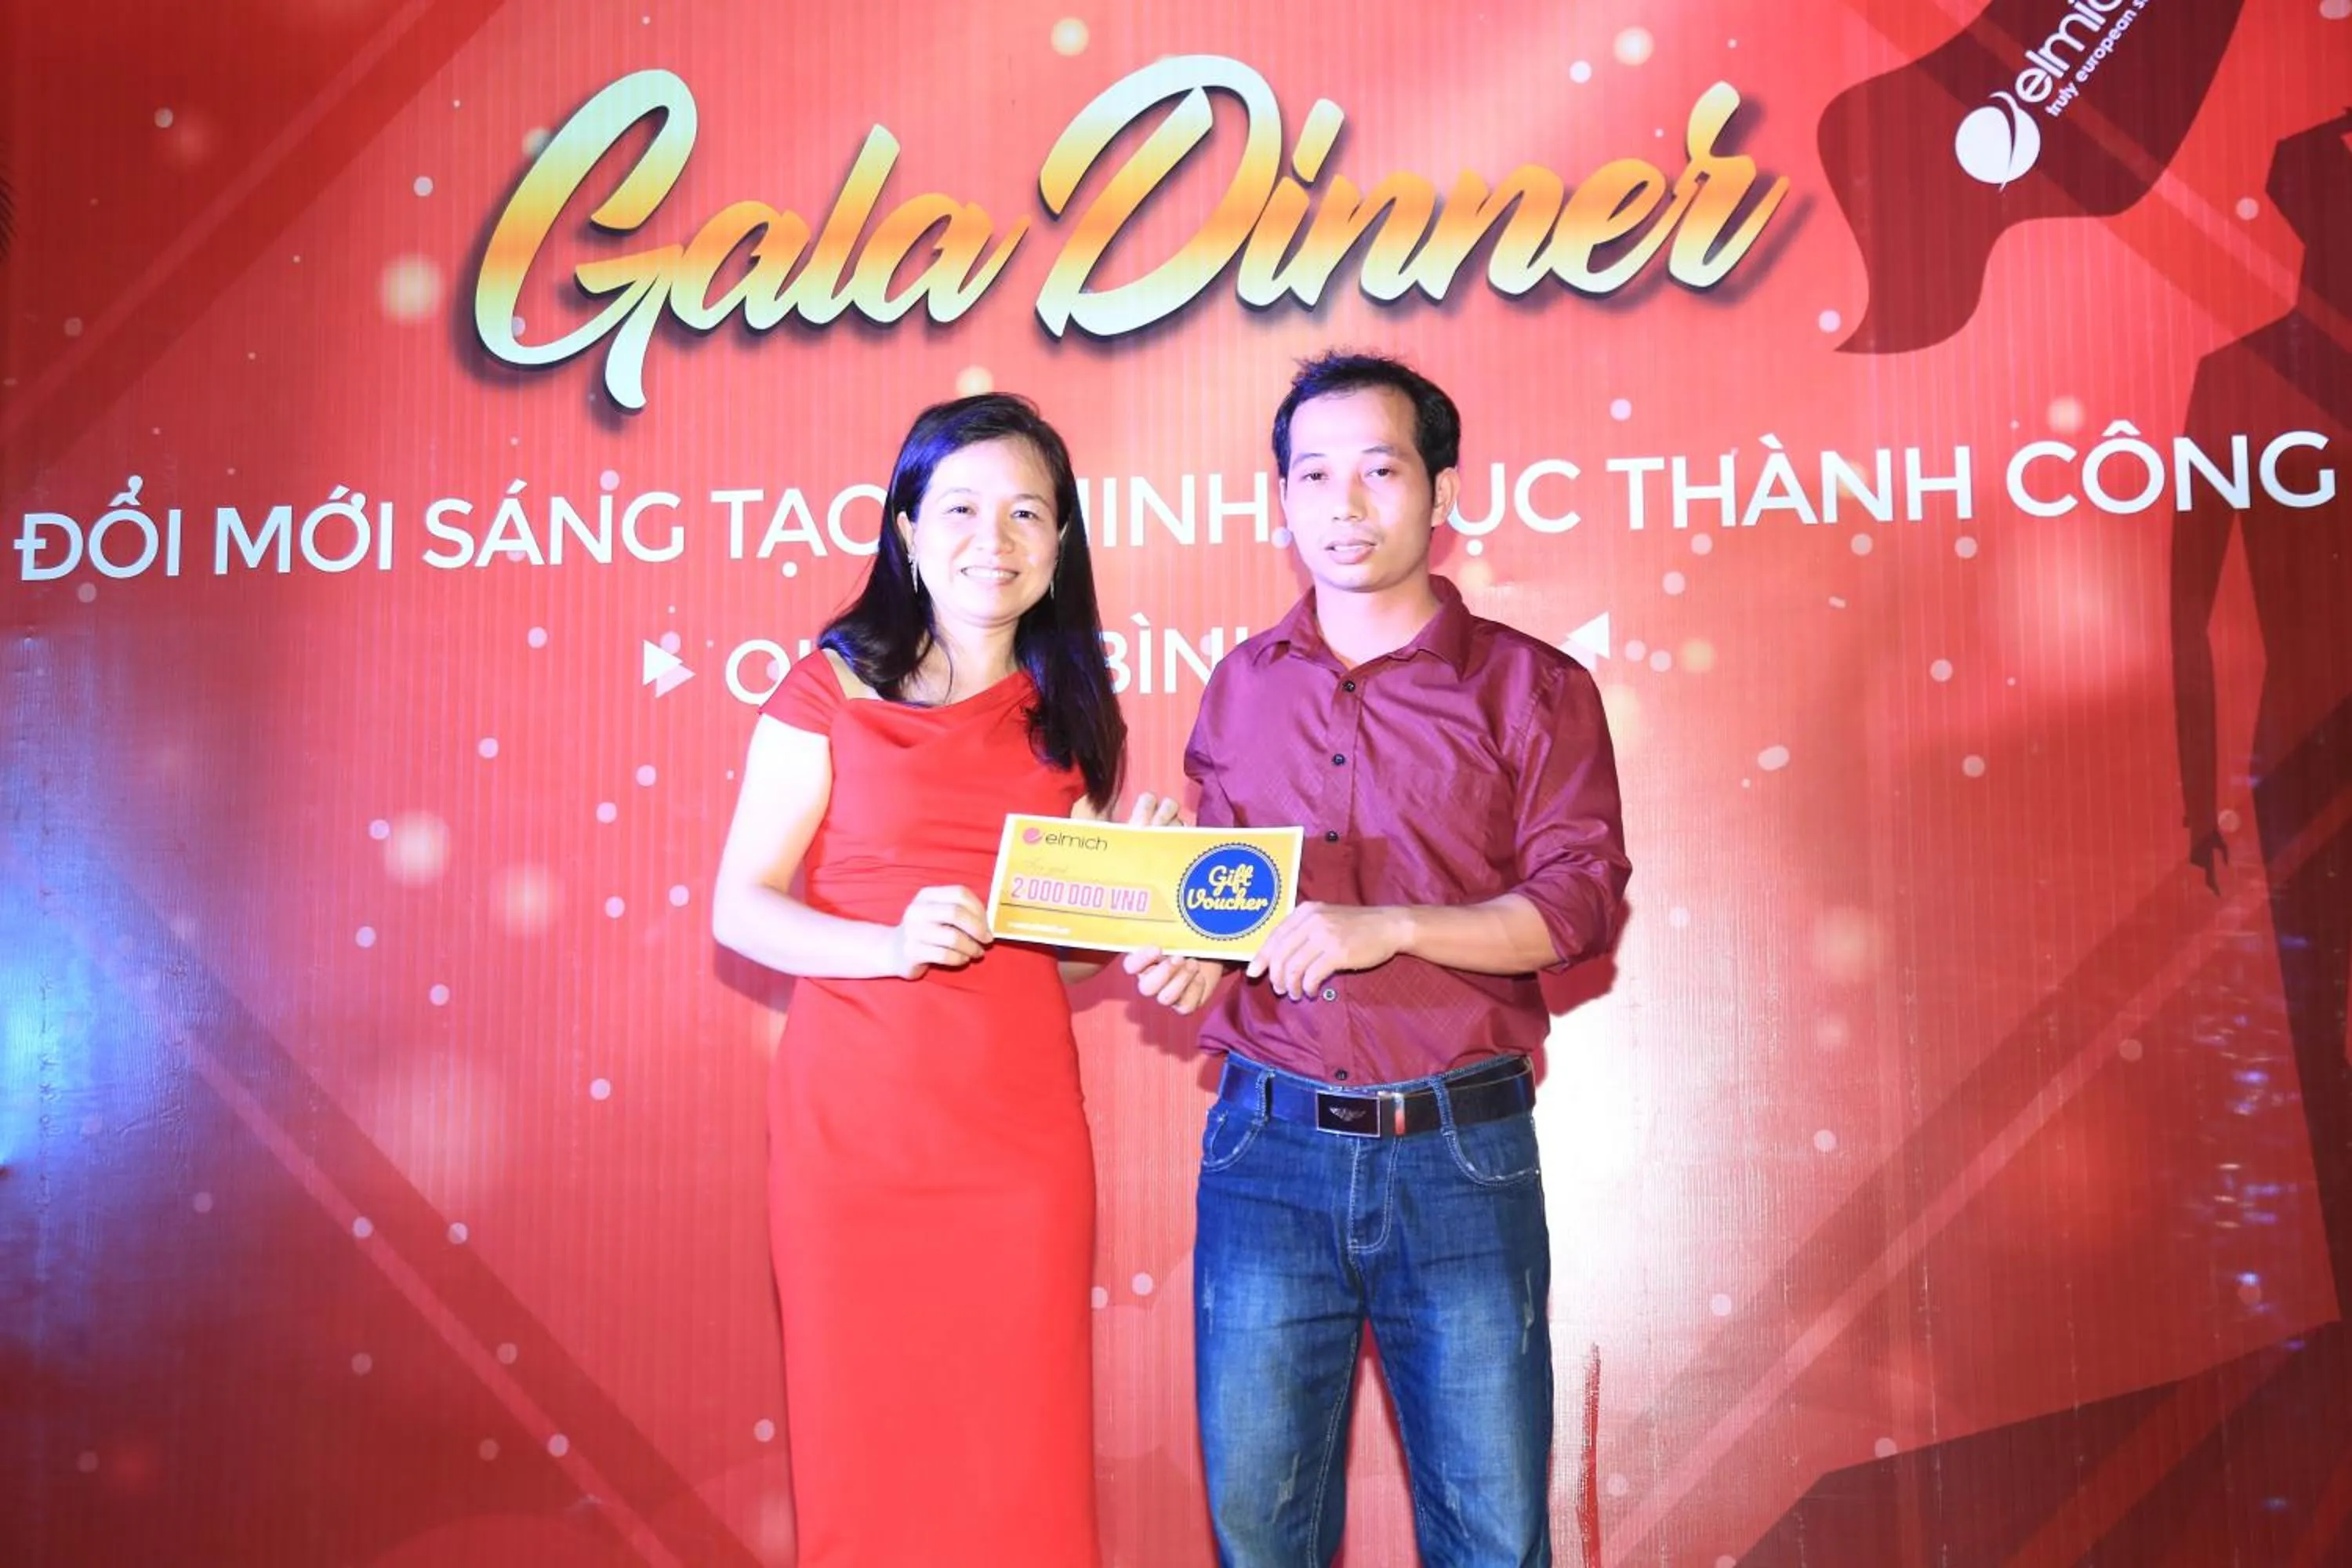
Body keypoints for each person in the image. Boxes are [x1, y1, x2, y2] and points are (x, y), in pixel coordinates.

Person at [1127, 352, 1631, 1566]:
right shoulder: (1240, 687)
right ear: (1282, 503)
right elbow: (1229, 898)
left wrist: (1393, 926)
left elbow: (1578, 906)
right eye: (1313, 475)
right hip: (1266, 1149)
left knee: (1492, 1537)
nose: (1343, 505)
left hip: (1460, 1154)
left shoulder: (1533, 686)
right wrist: (1184, 941)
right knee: (1262, 1535)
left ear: (1440, 492)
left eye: (1378, 471)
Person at [711, 393, 1140, 1567]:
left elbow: (1078, 944)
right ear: (904, 530)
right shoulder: (827, 689)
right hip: (857, 1130)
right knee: (867, 1445)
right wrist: (888, 945)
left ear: (1059, 547)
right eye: (957, 507)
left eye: (1024, 514)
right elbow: (739, 906)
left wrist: (1136, 893)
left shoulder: (1074, 716)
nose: (990, 539)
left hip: (1018, 1140)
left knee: (1021, 1451)